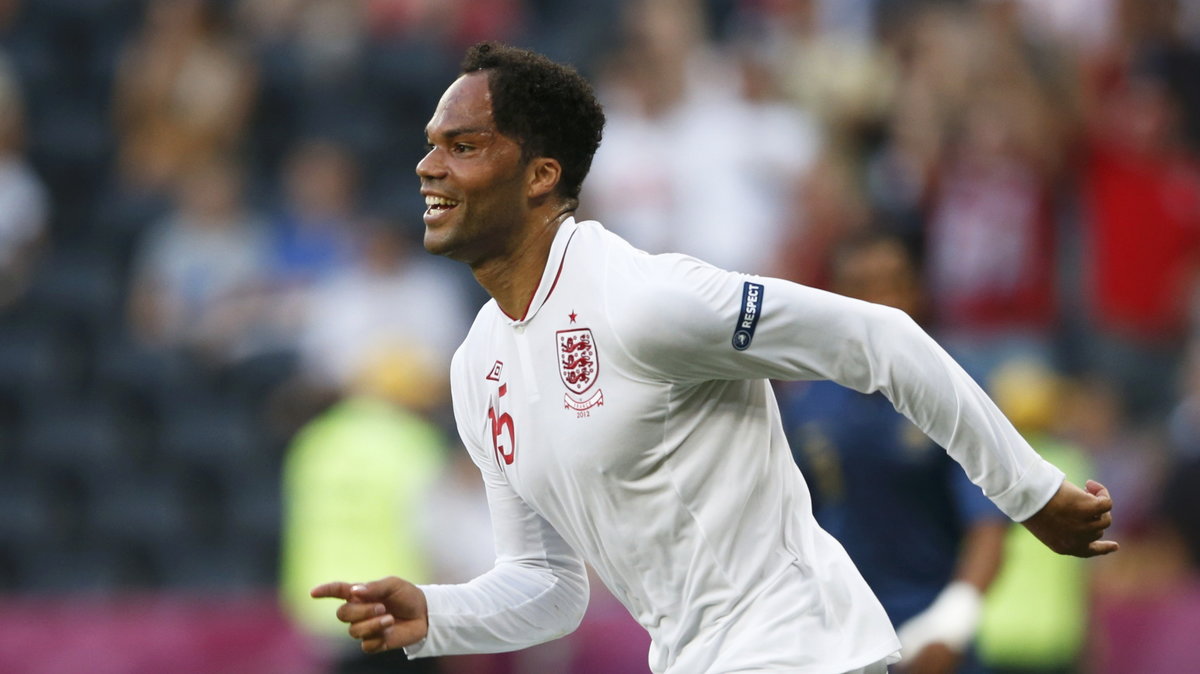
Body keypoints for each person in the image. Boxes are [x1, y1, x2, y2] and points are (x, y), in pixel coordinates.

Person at [312, 42, 1117, 674]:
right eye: (430, 145)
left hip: (801, 653)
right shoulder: (476, 366)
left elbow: (883, 338)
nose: (428, 166)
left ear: (540, 176)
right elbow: (550, 587)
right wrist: (439, 613)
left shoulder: (646, 300)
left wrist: (1028, 492)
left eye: (463, 145)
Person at [780, 232, 1009, 674]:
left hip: (932, 639)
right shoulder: (805, 400)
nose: (880, 301)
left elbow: (989, 527)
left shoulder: (959, 387)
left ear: (917, 290)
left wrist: (949, 626)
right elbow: (789, 522)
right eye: (861, 287)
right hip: (840, 640)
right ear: (834, 299)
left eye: (893, 283)